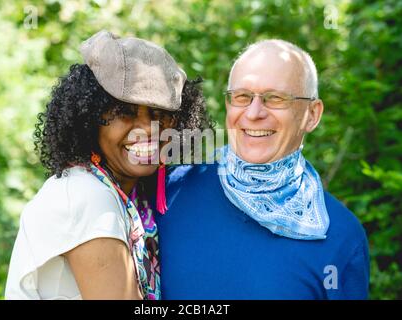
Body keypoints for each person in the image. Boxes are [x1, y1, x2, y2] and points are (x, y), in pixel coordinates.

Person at [156, 39, 370, 299]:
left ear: (312, 114)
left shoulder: (341, 236)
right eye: (242, 97)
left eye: (275, 98)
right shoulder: (168, 193)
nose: (254, 113)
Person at [5, 30, 210, 300]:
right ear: (88, 119)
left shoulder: (125, 195)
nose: (148, 129)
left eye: (160, 114)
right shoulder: (86, 195)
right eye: (124, 112)